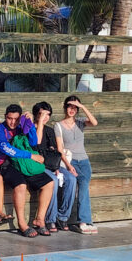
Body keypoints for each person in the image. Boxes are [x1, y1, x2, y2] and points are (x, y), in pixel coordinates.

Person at [0, 104, 54, 237]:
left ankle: (40, 219)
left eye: (16, 119)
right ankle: (22, 223)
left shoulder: (21, 127)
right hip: (5, 164)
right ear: (5, 117)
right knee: (21, 185)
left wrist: (30, 124)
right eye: (9, 118)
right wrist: (31, 156)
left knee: (49, 183)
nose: (13, 122)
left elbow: (34, 142)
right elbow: (8, 150)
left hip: (23, 163)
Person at [54, 95, 99, 234]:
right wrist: (68, 165)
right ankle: (61, 218)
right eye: (70, 106)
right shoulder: (58, 125)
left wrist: (83, 107)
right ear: (65, 107)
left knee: (84, 191)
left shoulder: (81, 122)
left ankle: (84, 222)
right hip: (70, 161)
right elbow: (60, 148)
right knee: (69, 189)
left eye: (75, 107)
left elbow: (94, 123)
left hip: (84, 161)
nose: (72, 109)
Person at [33, 101, 77, 233]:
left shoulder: (50, 131)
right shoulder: (30, 129)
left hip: (52, 164)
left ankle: (62, 217)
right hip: (38, 166)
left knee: (71, 179)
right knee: (53, 181)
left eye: (48, 115)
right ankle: (50, 218)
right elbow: (36, 145)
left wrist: (57, 167)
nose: (45, 117)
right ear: (36, 115)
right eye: (42, 114)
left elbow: (56, 151)